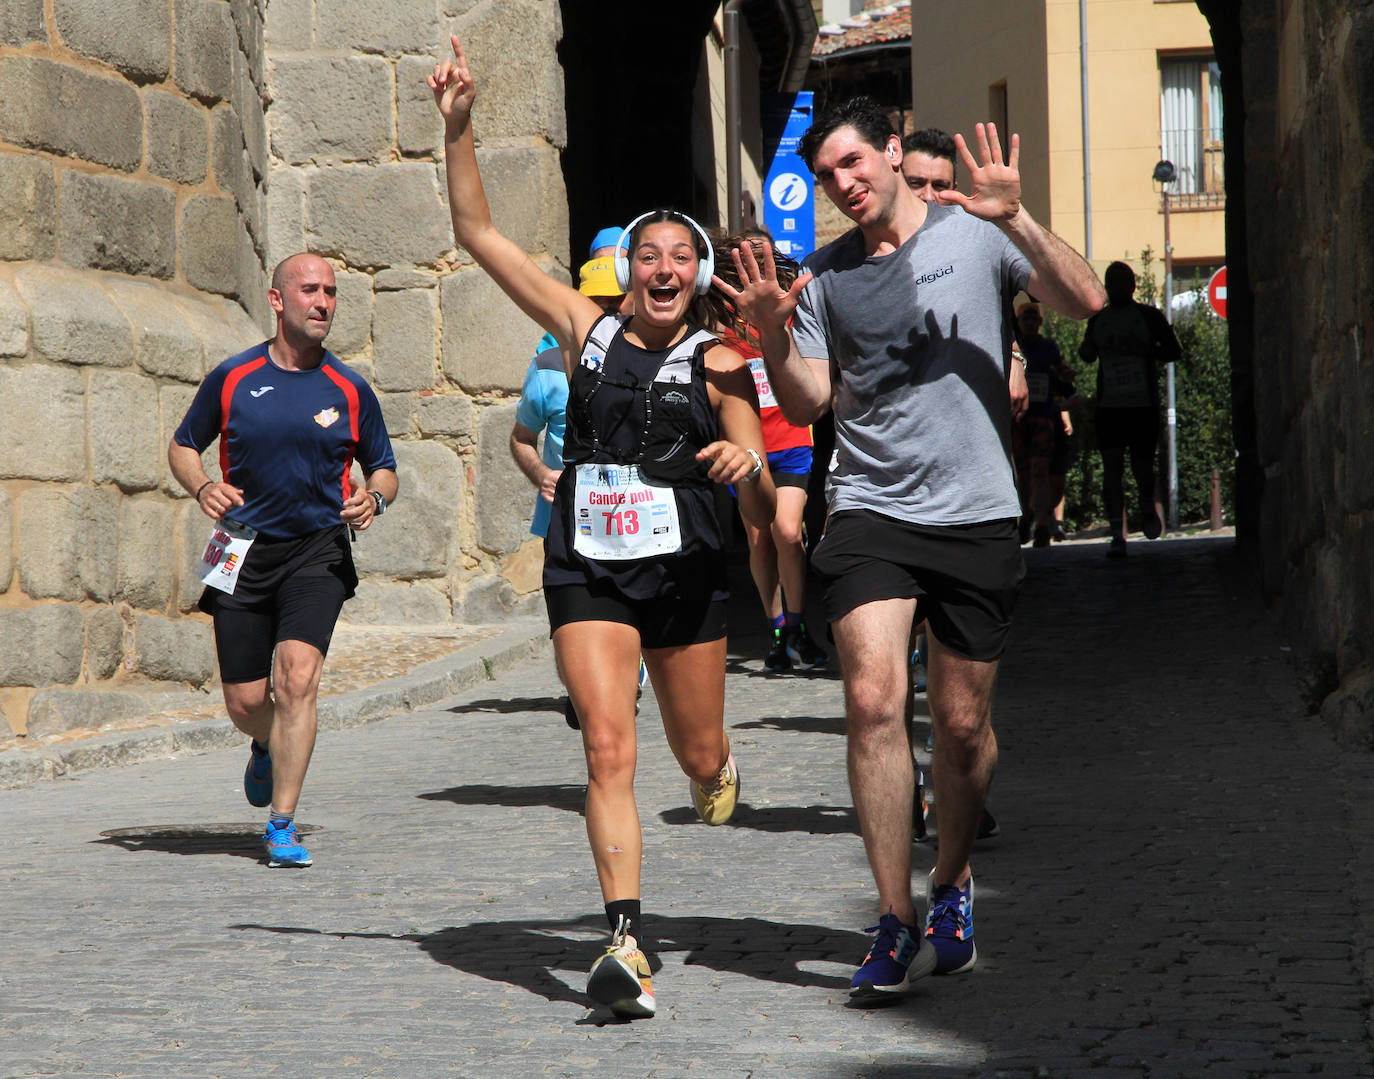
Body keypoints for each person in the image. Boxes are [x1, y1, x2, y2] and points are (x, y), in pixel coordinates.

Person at [721, 97, 1103, 1002]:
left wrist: (1020, 218)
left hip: (975, 511)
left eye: (856, 164)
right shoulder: (822, 278)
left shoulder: (976, 235)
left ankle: (952, 883)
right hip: (870, 510)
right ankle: (893, 919)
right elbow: (809, 401)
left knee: (965, 731)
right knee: (870, 695)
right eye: (827, 178)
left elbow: (1084, 299)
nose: (844, 185)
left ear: (894, 154)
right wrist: (775, 332)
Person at [430, 35, 775, 1020]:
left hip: (686, 573)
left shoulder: (720, 362)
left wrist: (745, 467)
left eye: (680, 256)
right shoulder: (586, 331)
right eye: (648, 254)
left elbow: (753, 500)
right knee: (607, 748)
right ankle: (624, 937)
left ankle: (717, 768)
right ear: (628, 268)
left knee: (697, 753)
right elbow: (477, 231)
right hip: (587, 558)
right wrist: (459, 129)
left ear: (698, 275)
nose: (663, 267)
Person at [168, 252, 398, 870]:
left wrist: (373, 497)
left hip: (317, 550)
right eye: (310, 291)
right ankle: (265, 744)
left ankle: (282, 823)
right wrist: (201, 487)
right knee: (246, 702)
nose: (323, 302)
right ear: (277, 301)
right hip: (242, 550)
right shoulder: (234, 377)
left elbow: (385, 466)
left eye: (330, 293)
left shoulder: (350, 388)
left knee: (297, 678)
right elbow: (184, 444)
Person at [510, 255, 644, 729]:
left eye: (615, 301)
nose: (607, 313)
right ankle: (584, 689)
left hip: (632, 518)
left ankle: (620, 692)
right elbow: (522, 438)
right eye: (597, 303)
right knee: (571, 626)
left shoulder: (652, 355)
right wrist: (540, 473)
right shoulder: (547, 366)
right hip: (566, 522)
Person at [706, 228, 828, 673]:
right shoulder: (717, 318)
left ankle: (797, 627)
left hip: (793, 438)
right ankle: (777, 630)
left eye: (764, 256)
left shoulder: (789, 309)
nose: (757, 265)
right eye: (747, 257)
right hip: (748, 448)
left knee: (790, 534)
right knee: (759, 541)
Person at [1078, 260, 1182, 558]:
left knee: (1141, 467)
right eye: (1111, 284)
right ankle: (1117, 535)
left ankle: (1147, 507)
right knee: (1112, 471)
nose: (1115, 290)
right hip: (1109, 407)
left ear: (1133, 286)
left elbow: (1175, 351)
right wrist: (1088, 349)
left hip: (1141, 405)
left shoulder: (1149, 316)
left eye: (1121, 284)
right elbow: (1086, 354)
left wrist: (1147, 350)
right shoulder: (1100, 320)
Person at [1012, 301, 1077, 547]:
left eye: (1033, 318)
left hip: (1043, 416)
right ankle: (1026, 515)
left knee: (1040, 469)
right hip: (1018, 418)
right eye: (1024, 319)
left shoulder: (1048, 347)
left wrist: (1066, 374)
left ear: (1039, 322)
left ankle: (1040, 523)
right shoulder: (1014, 347)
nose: (1029, 322)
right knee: (1023, 474)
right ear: (1018, 323)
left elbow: (1060, 370)